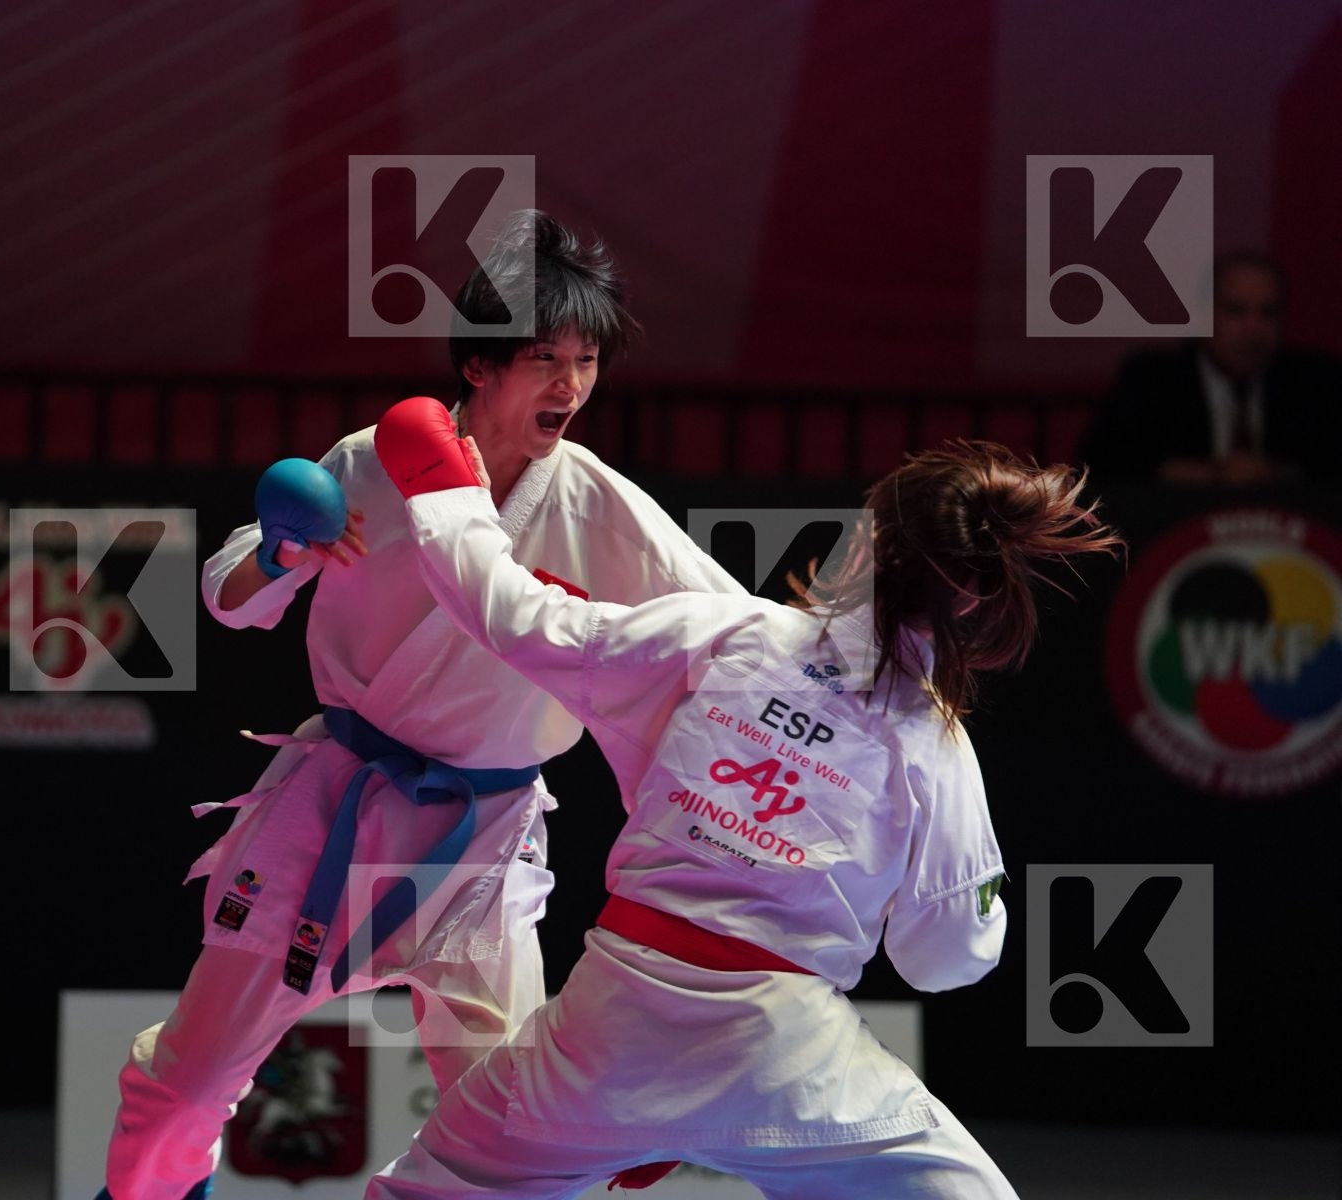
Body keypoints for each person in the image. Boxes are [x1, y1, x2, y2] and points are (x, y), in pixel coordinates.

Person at [97, 211, 744, 1200]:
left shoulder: (603, 510)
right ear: (480, 366)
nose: (570, 385)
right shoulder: (378, 457)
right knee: (188, 1085)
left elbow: (736, 630)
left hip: (483, 841)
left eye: (586, 360)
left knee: (513, 1123)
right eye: (544, 358)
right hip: (334, 812)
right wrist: (281, 553)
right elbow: (231, 602)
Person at [367, 409, 1125, 1199]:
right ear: (974, 603)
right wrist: (978, 901)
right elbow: (942, 961)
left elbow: (516, 617)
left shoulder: (732, 633)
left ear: (863, 544)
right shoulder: (932, 744)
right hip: (792, 1061)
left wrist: (447, 491)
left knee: (425, 1190)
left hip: (608, 1036)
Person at [1077, 251, 1342, 485]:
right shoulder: (1153, 380)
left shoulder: (1314, 381)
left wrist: (1277, 473)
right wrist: (1206, 475)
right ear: (1203, 314)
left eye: (1268, 313)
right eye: (1236, 311)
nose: (1253, 328)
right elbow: (1099, 464)